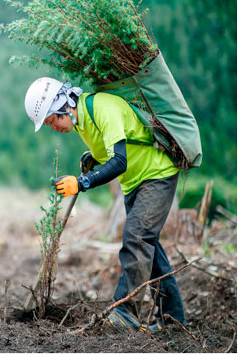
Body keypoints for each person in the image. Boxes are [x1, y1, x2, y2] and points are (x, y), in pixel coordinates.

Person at [24, 77, 186, 332]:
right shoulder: (81, 123)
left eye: (50, 120)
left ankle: (125, 312)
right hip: (134, 182)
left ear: (63, 106)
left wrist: (81, 182)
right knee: (149, 248)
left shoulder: (103, 108)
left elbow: (119, 160)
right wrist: (94, 158)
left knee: (137, 237)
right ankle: (173, 321)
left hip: (156, 175)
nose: (52, 127)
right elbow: (113, 147)